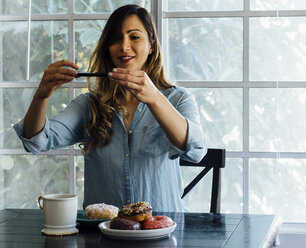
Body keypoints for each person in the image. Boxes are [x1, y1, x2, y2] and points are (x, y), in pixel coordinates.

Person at [13, 4, 206, 212]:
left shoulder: (178, 99)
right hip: (102, 233)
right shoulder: (89, 105)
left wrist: (155, 99)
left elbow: (195, 151)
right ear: (107, 48)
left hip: (163, 232)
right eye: (115, 39)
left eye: (134, 37)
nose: (124, 46)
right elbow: (35, 140)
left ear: (151, 45)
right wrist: (41, 96)